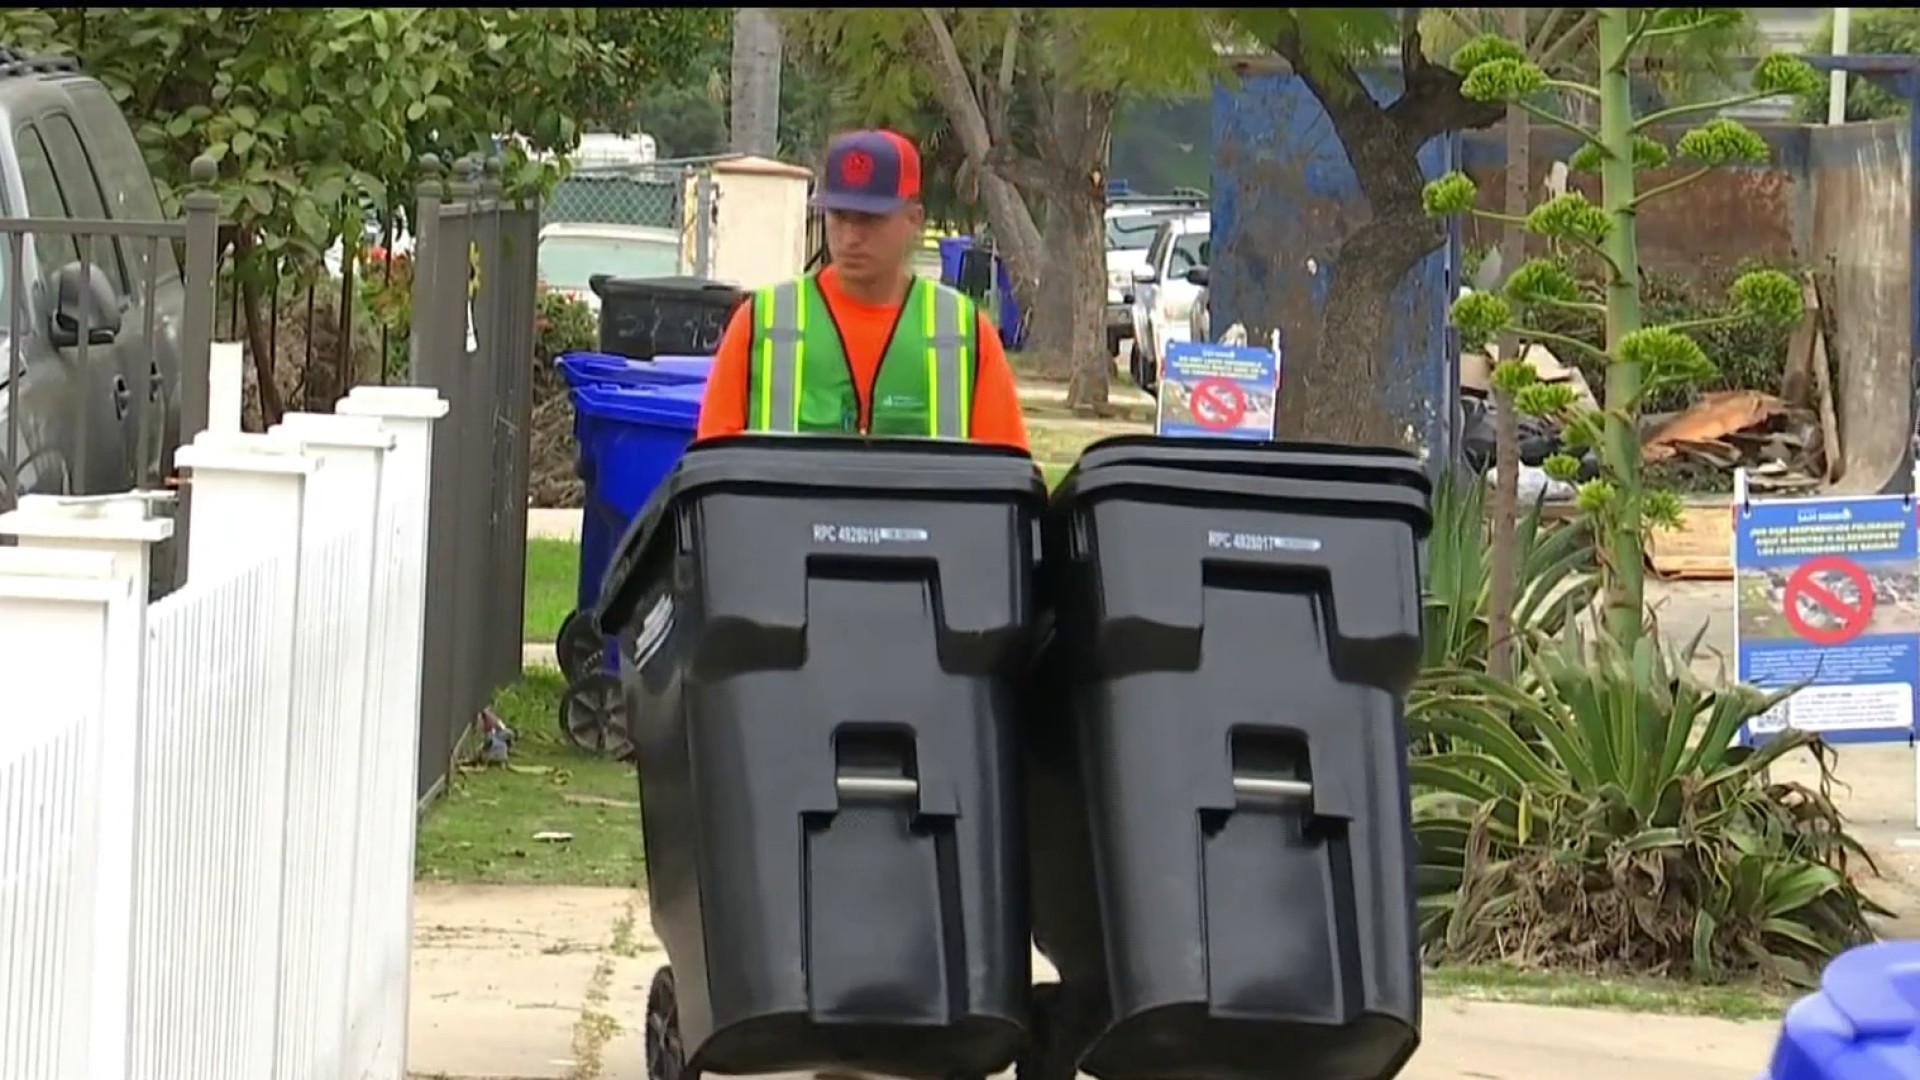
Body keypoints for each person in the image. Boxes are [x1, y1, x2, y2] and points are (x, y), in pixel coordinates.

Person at [695, 129, 1029, 450]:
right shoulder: (760, 323)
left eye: (870, 219)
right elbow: (711, 470)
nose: (851, 237)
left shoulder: (966, 333)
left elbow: (1005, 479)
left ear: (915, 219)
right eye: (839, 217)